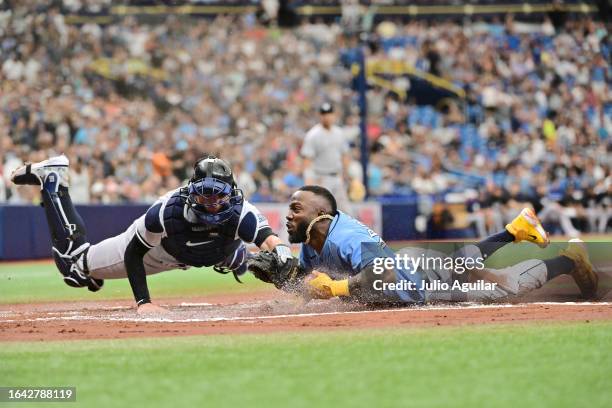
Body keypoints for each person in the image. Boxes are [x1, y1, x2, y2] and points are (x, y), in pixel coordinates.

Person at [10, 154, 294, 315]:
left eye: (218, 197)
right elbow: (134, 252)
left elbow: (271, 240)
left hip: (202, 251)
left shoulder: (242, 212)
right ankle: (53, 180)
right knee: (73, 269)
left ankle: (298, 283)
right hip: (158, 252)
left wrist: (283, 255)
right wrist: (144, 302)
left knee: (247, 260)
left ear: (231, 193)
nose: (212, 204)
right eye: (205, 197)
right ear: (192, 193)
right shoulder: (167, 212)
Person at [282, 186, 598, 303]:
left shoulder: (347, 238)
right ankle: (515, 230)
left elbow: (384, 275)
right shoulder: (313, 241)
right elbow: (307, 285)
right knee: (462, 260)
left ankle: (570, 259)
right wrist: (282, 280)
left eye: (296, 209)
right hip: (416, 265)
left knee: (508, 286)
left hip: (420, 279)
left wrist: (335, 289)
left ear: (320, 214)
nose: (288, 216)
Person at [301, 102, 352, 214]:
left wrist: (347, 175)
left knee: (347, 212)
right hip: (321, 179)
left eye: (329, 113)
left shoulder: (339, 133)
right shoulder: (313, 135)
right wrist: (309, 182)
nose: (327, 116)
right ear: (320, 116)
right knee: (322, 213)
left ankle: (345, 232)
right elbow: (307, 160)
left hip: (337, 177)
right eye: (324, 114)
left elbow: (344, 155)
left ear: (334, 115)